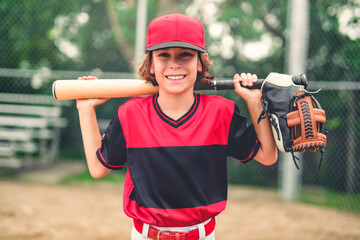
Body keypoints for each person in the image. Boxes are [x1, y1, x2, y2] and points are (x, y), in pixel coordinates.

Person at [76, 13, 277, 240]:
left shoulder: (221, 112)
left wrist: (255, 102)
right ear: (151, 64)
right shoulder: (131, 113)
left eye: (185, 55)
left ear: (200, 62)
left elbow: (267, 155)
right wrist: (85, 110)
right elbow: (97, 167)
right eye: (164, 55)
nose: (174, 64)